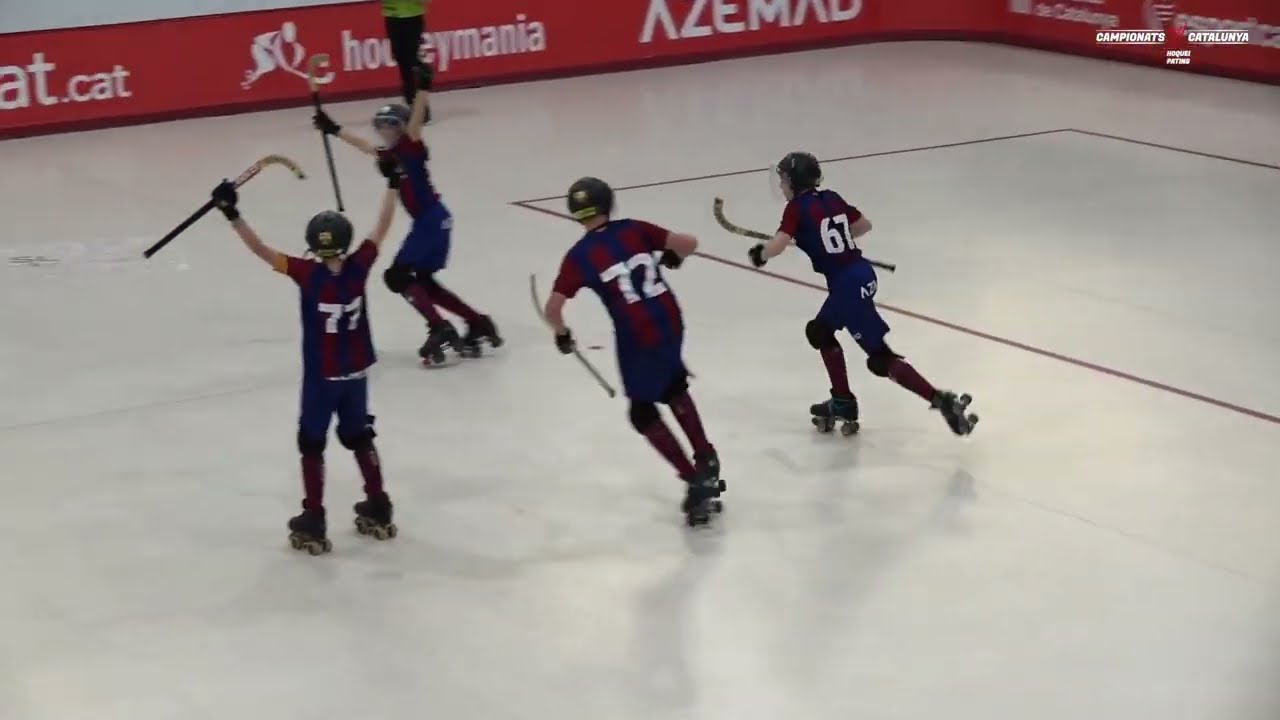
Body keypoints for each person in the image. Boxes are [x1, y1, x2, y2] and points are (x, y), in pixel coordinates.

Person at [210, 158, 402, 555]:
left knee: (311, 443)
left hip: (322, 378)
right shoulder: (358, 267)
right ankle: (379, 502)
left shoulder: (305, 273)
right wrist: (394, 183)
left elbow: (261, 250)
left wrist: (232, 212)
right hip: (356, 374)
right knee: (359, 436)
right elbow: (381, 228)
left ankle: (313, 516)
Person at [748, 152, 979, 437]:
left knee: (848, 344)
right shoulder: (831, 198)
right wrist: (828, 239)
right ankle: (928, 400)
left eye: (783, 180)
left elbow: (779, 243)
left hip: (846, 285)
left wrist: (762, 253)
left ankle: (857, 401)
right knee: (849, 344)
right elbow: (862, 226)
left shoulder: (795, 208)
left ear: (794, 181)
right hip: (862, 276)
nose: (781, 186)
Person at [544, 177, 725, 525]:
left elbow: (553, 309)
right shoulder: (634, 229)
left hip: (635, 331)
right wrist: (671, 257)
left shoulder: (579, 256)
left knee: (641, 413)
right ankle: (705, 455)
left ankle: (694, 478)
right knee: (673, 386)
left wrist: (563, 335)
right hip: (670, 317)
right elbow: (689, 242)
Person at [313, 64, 500, 365]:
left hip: (430, 220)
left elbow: (415, 123)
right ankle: (477, 320)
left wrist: (423, 89)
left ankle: (439, 326)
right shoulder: (389, 155)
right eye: (380, 127)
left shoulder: (410, 146)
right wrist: (333, 128)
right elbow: (364, 147)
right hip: (435, 220)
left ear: (398, 127)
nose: (383, 132)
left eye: (388, 126)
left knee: (397, 276)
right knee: (423, 283)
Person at [381, 0, 431, 123]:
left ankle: (420, 107)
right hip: (392, 17)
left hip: (412, 18)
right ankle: (412, 102)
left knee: (411, 62)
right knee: (403, 62)